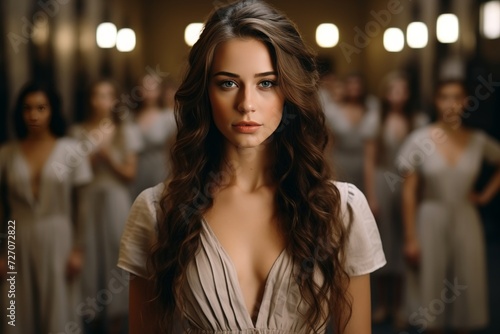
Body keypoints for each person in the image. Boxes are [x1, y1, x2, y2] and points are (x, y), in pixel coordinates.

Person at [118, 1, 386, 333]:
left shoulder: (341, 210)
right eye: (228, 83)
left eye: (266, 83)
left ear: (289, 92)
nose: (246, 104)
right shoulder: (159, 212)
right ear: (205, 93)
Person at [399, 79, 500, 333]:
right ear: (436, 100)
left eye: (457, 97)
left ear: (466, 102)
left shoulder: (478, 140)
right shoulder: (420, 139)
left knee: (467, 281)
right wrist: (410, 237)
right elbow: (409, 192)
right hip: (430, 216)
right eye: (444, 96)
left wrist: (485, 196)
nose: (451, 103)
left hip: (466, 216)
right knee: (431, 284)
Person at [0, 81, 92, 333]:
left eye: (41, 108)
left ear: (53, 110)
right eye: (28, 108)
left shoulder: (71, 150)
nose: (34, 115)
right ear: (20, 112)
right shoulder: (6, 154)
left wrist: (79, 249)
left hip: (58, 234)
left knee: (59, 309)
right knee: (15, 309)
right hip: (17, 237)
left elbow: (82, 206)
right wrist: (1, 250)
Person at [69, 79, 141, 333]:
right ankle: (92, 318)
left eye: (107, 95)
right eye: (97, 95)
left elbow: (130, 173)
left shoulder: (124, 129)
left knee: (115, 257)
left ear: (114, 100)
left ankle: (117, 320)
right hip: (88, 200)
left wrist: (108, 156)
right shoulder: (77, 132)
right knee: (89, 258)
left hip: (115, 200)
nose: (101, 100)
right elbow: (73, 174)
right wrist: (88, 158)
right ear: (90, 99)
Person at [367, 72, 428, 328]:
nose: (398, 95)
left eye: (403, 90)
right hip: (383, 181)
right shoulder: (376, 120)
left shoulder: (419, 120)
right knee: (382, 242)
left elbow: (426, 158)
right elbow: (369, 161)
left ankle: (404, 306)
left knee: (406, 241)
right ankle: (383, 304)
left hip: (409, 183)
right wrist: (370, 196)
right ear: (386, 93)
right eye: (393, 90)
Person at [321, 72, 380, 192]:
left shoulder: (371, 109)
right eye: (350, 84)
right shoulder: (333, 111)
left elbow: (372, 150)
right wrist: (329, 173)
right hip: (340, 162)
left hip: (364, 163)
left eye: (357, 84)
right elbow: (328, 146)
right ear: (345, 87)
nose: (354, 87)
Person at [129, 74, 177, 201]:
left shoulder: (169, 117)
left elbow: (176, 149)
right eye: (144, 87)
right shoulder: (131, 117)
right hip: (135, 171)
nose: (148, 91)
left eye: (153, 87)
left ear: (160, 90)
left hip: (160, 169)